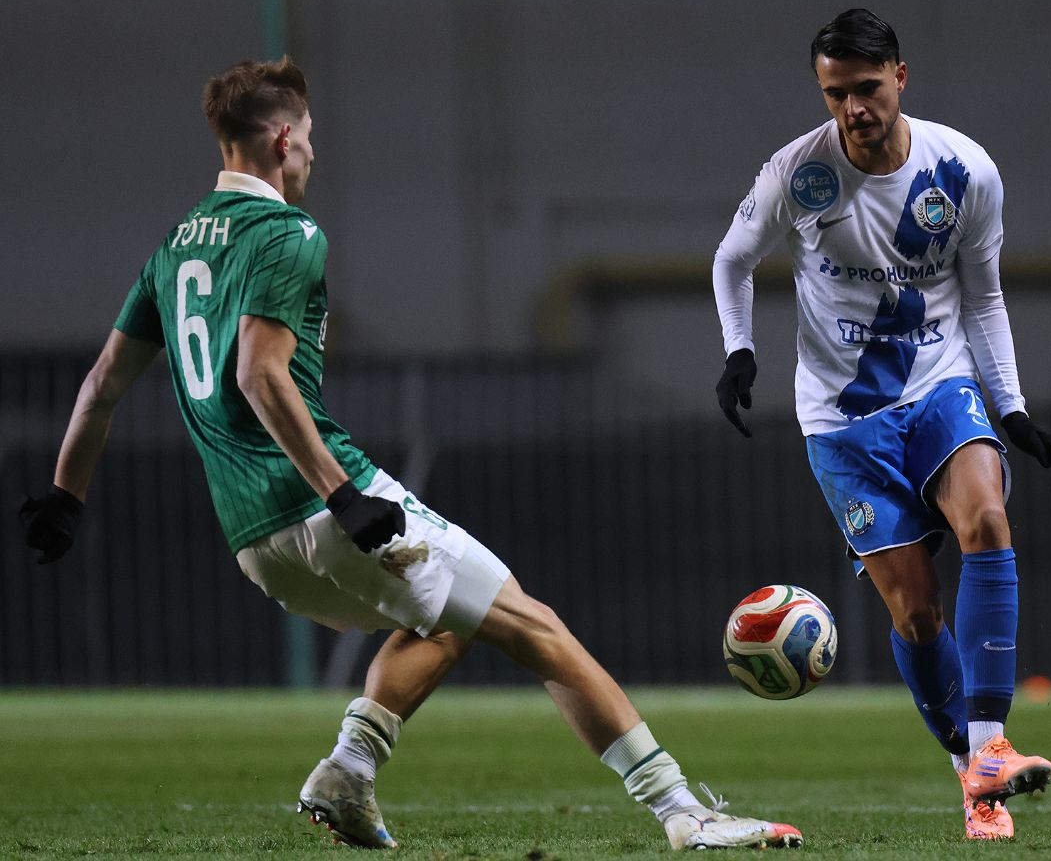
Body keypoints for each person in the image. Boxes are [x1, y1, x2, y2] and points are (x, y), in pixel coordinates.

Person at [17, 57, 802, 852]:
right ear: (283, 138)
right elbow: (259, 374)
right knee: (537, 628)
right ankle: (682, 811)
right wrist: (342, 496)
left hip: (251, 538)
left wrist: (65, 497)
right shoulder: (287, 234)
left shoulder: (173, 247)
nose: (313, 151)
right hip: (321, 501)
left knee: (447, 618)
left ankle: (350, 770)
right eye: (309, 136)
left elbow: (101, 384)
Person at [711, 9, 1051, 840]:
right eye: (835, 93)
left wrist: (1011, 405)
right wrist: (739, 352)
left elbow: (983, 296)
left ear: (900, 78)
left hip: (939, 384)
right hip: (841, 419)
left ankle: (991, 745)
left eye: (867, 89)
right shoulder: (798, 173)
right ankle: (973, 775)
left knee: (987, 520)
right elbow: (732, 261)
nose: (853, 109)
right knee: (915, 613)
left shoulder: (963, 171)